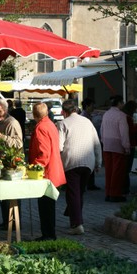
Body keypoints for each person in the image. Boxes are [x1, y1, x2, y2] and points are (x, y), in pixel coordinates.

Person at [57, 99, 102, 235]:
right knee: (79, 192)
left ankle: (77, 224)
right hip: (88, 162)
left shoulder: (63, 123)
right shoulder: (87, 121)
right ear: (75, 110)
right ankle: (74, 216)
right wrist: (98, 162)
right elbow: (97, 143)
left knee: (73, 193)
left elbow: (59, 146)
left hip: (72, 162)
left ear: (63, 112)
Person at [29, 102, 66, 240]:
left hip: (46, 173)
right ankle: (49, 234)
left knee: (46, 206)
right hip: (53, 170)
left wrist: (34, 168)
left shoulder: (41, 128)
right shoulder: (50, 124)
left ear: (34, 114)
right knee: (48, 206)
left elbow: (44, 154)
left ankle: (48, 235)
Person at [0, 99, 24, 230]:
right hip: (3, 163)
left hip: (13, 165)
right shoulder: (0, 122)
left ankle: (14, 224)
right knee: (3, 194)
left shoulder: (12, 123)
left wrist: (2, 137)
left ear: (5, 110)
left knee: (12, 195)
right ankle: (7, 222)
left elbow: (19, 144)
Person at [100, 95, 130, 202]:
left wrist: (103, 141)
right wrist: (126, 146)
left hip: (107, 145)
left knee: (109, 170)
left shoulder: (106, 114)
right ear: (119, 103)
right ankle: (115, 193)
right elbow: (124, 133)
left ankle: (108, 193)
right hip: (117, 145)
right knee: (117, 171)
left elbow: (102, 129)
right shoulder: (121, 115)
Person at [81, 97, 101, 190]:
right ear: (87, 106)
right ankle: (88, 183)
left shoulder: (89, 115)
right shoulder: (84, 117)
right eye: (92, 105)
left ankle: (90, 183)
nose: (94, 107)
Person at [122, 100, 137, 196]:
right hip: (130, 145)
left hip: (127, 144)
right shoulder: (128, 118)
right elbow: (131, 131)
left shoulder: (124, 117)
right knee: (126, 169)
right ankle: (125, 189)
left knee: (125, 169)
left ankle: (124, 189)